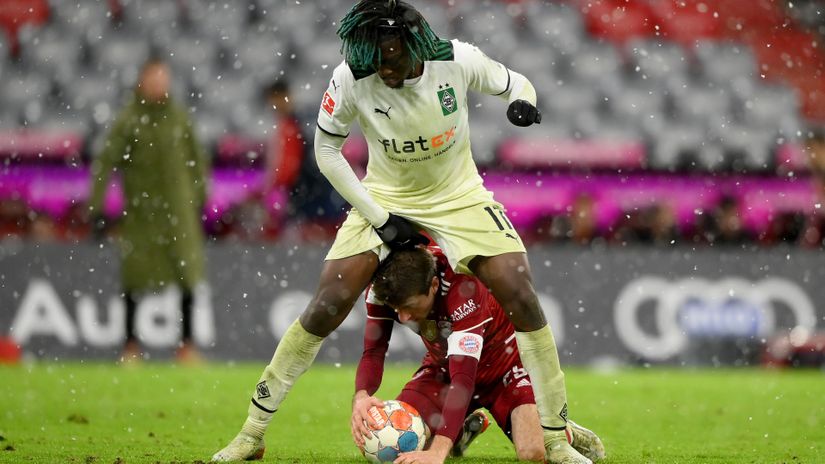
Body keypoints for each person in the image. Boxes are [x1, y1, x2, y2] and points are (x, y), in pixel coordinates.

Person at [213, 1, 589, 462]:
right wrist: (378, 216)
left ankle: (554, 437)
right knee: (327, 304)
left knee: (520, 290)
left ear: (414, 44)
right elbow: (326, 149)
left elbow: (516, 82)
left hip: (459, 197)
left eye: (389, 55)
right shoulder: (352, 75)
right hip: (386, 197)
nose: (382, 67)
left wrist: (521, 103)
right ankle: (252, 434)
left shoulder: (456, 59)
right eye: (373, 56)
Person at [351, 246, 606, 464]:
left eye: (408, 307)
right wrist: (362, 396)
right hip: (443, 369)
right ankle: (460, 431)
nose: (403, 317)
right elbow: (374, 349)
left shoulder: (463, 290)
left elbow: (463, 381)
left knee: (532, 452)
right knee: (406, 443)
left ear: (434, 285)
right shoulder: (384, 288)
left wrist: (438, 452)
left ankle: (565, 431)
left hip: (504, 368)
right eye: (397, 309)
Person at [88, 57, 209, 363]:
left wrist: (199, 198)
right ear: (142, 81)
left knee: (187, 276)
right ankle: (130, 346)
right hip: (142, 214)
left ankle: (187, 345)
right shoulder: (128, 120)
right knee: (135, 278)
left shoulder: (179, 118)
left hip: (179, 214)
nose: (159, 84)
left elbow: (197, 159)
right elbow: (105, 162)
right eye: (154, 78)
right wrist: (97, 206)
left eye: (163, 78)